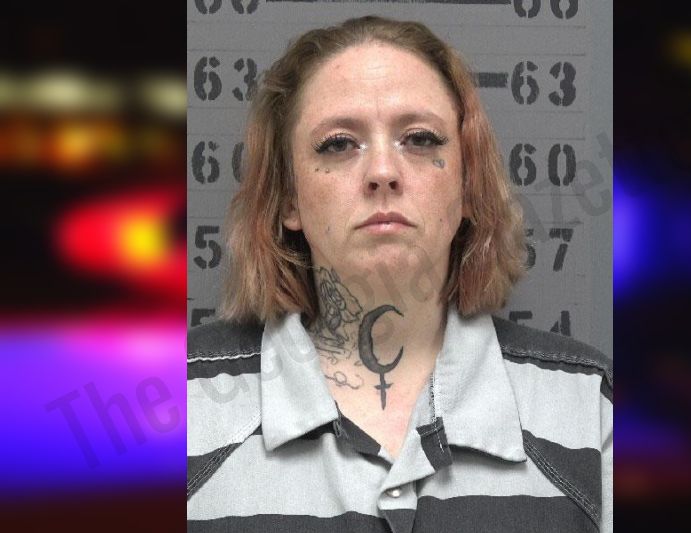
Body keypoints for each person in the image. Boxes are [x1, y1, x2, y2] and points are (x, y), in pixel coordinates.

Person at [187, 15, 612, 533]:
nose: (383, 172)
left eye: (419, 138)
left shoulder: (591, 408)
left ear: (467, 187)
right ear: (289, 198)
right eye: (338, 143)